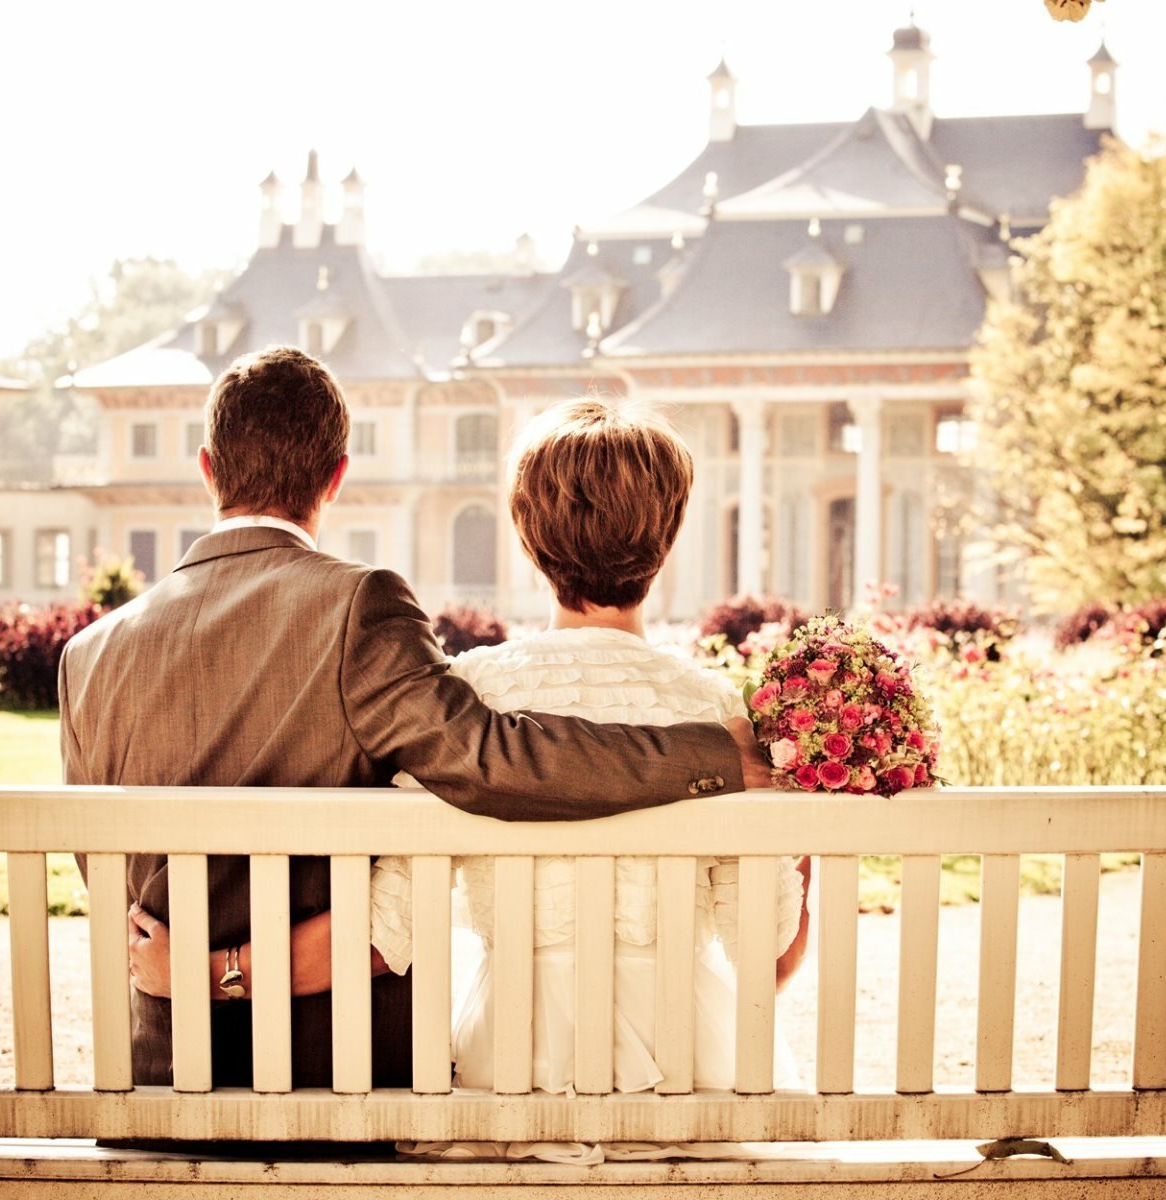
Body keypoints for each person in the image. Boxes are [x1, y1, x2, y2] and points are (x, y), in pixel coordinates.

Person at [59, 346, 770, 1095]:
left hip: (158, 1077)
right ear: (337, 475)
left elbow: (105, 880)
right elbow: (489, 760)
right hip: (336, 1078)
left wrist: (198, 972)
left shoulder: (87, 654)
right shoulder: (357, 605)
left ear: (207, 469)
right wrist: (711, 755)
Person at [368, 400, 809, 1163]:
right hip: (684, 1070)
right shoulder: (712, 710)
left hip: (507, 1069)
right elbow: (765, 956)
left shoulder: (469, 700)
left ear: (528, 536)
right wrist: (805, 841)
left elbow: (386, 935)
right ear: (665, 539)